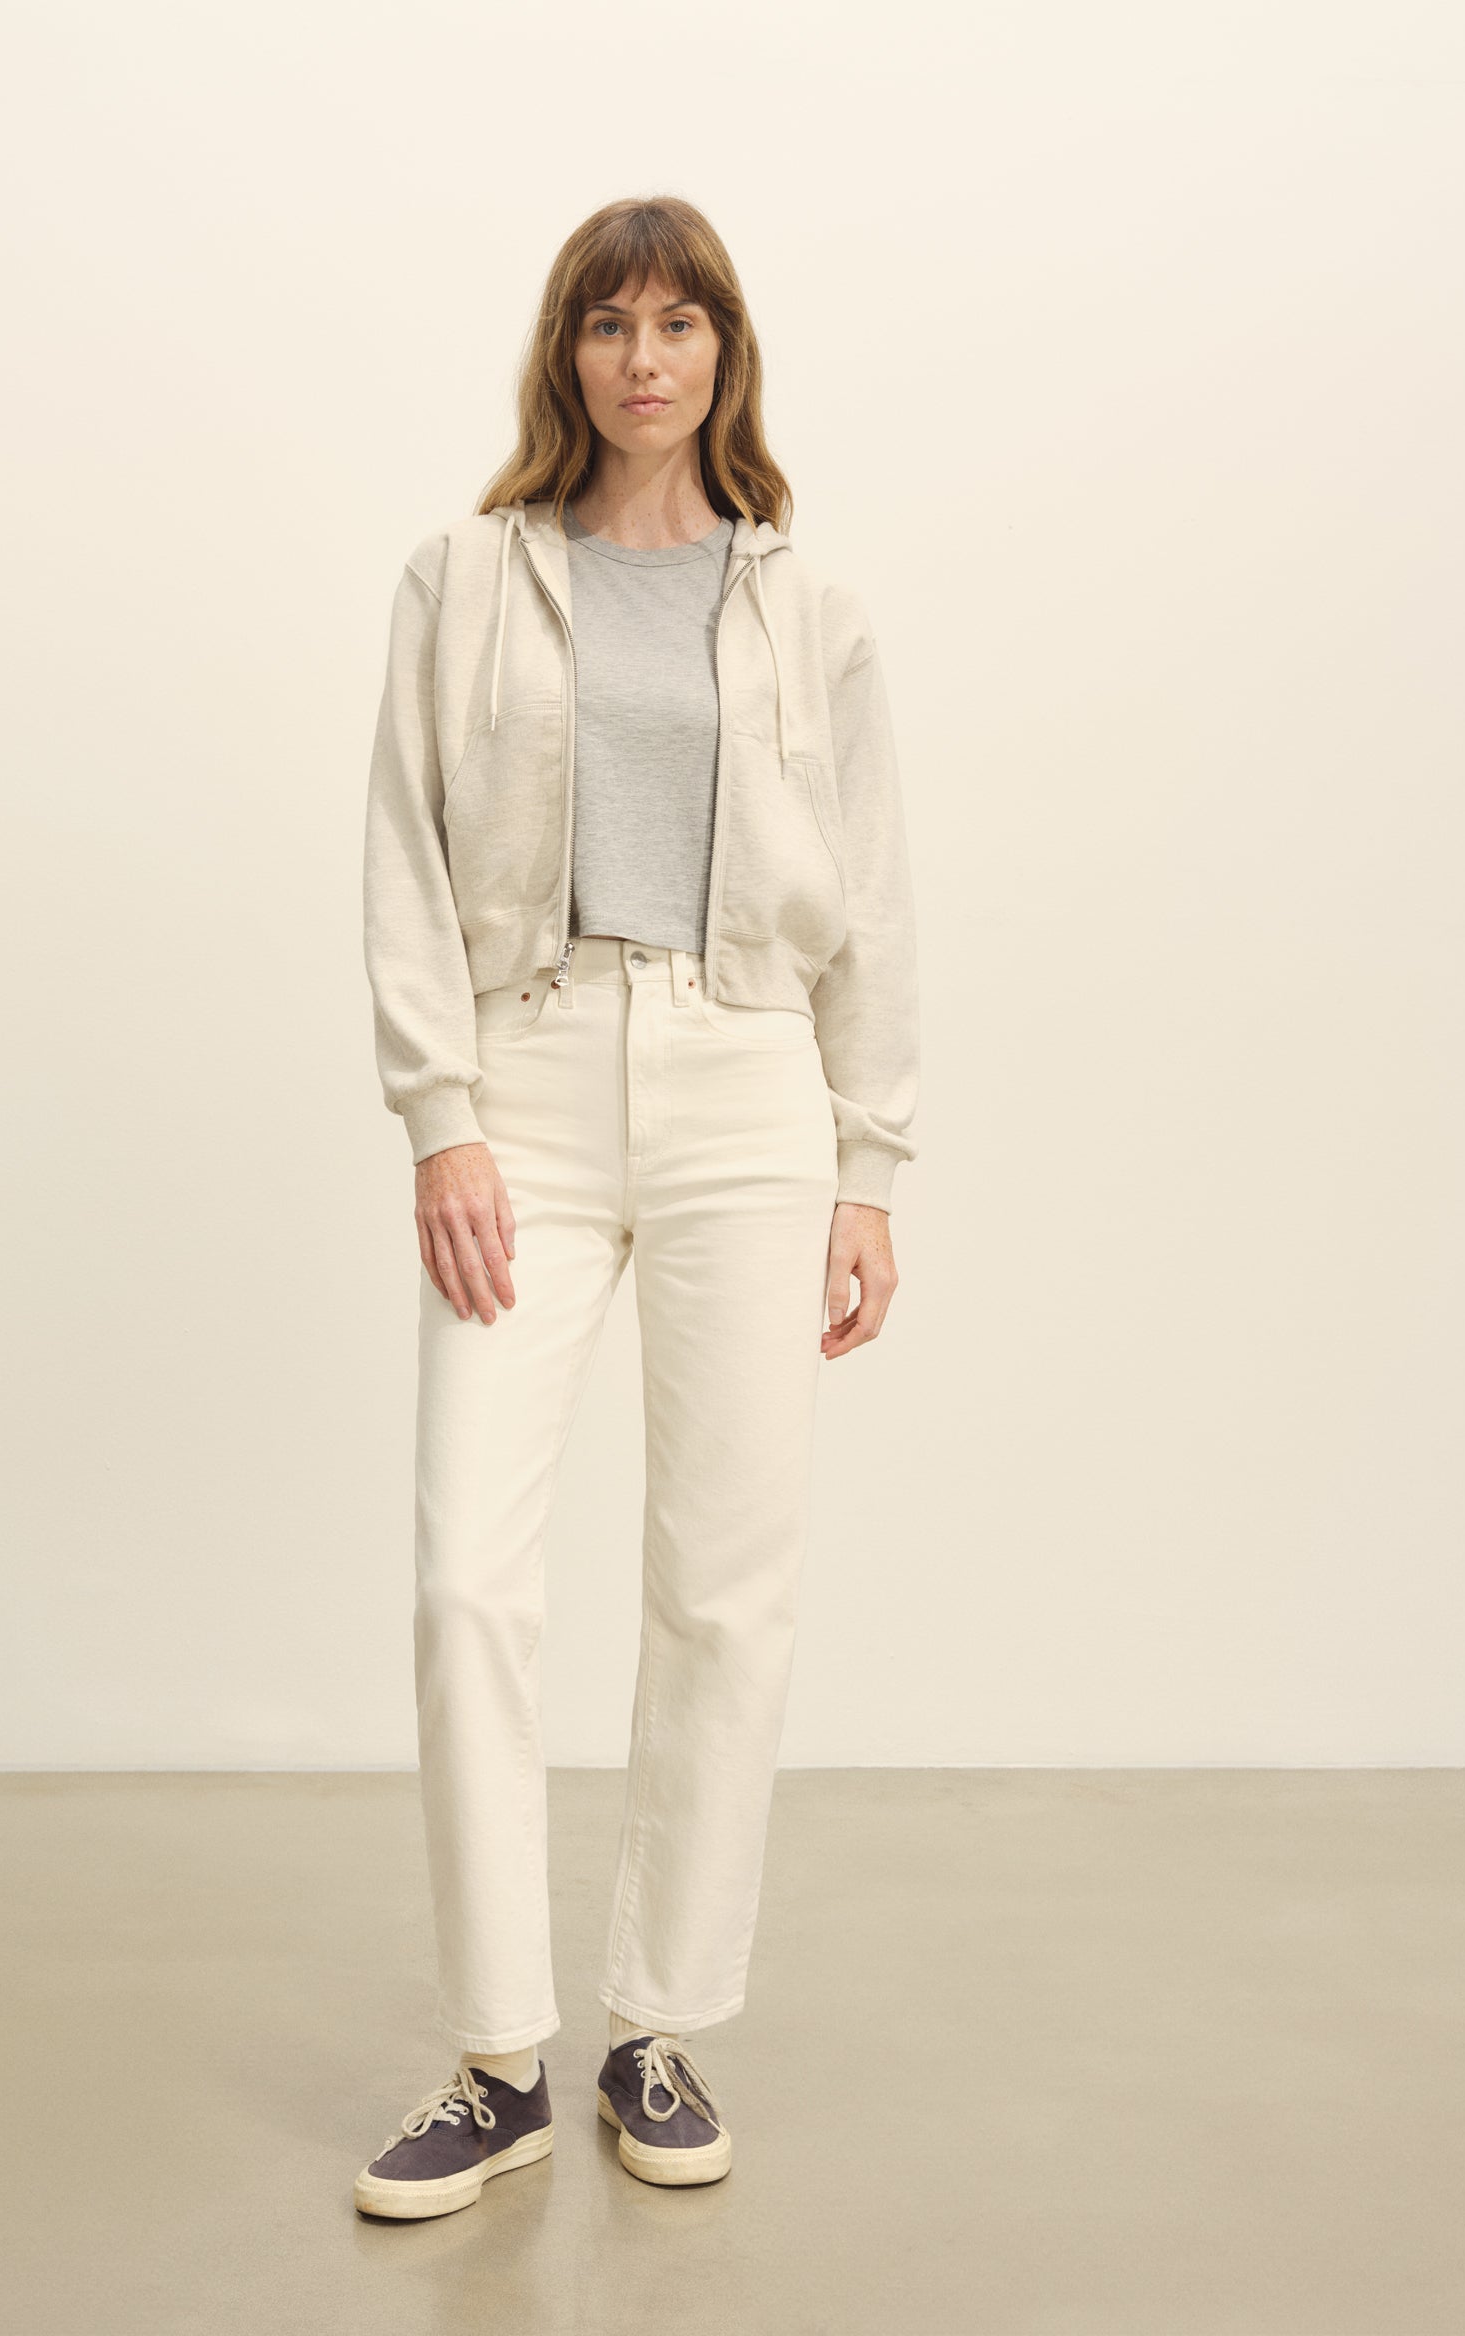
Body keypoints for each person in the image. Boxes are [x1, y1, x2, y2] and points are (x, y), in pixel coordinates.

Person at [352, 195, 920, 2220]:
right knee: (467, 1581)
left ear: (726, 354)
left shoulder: (809, 607)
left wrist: (869, 1164)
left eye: (682, 323)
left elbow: (874, 901)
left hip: (747, 1084)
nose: (646, 358)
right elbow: (405, 852)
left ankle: (655, 2027)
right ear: (566, 354)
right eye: (611, 323)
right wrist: (440, 1116)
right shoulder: (464, 577)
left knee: (723, 1582)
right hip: (524, 1078)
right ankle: (496, 2058)